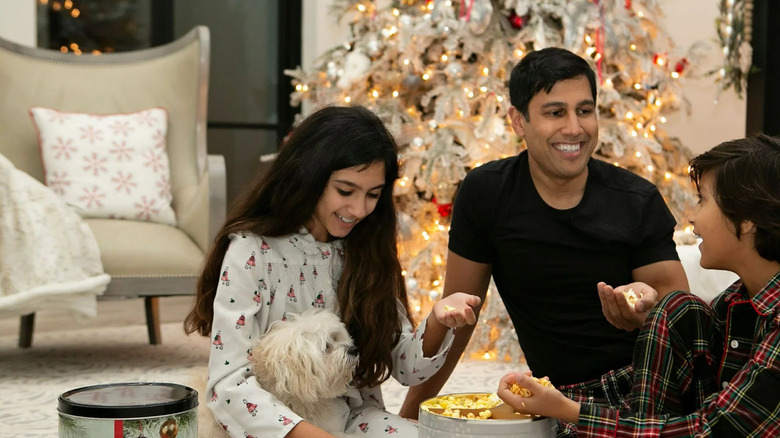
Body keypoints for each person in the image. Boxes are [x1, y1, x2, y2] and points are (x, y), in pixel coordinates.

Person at [400, 47, 689, 419]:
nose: (574, 127)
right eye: (555, 113)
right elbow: (459, 316)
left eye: (585, 111)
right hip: (554, 400)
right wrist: (407, 418)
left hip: (647, 390)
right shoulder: (486, 193)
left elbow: (683, 320)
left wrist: (647, 315)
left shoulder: (636, 199)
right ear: (518, 121)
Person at [184, 105, 481, 438]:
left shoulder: (364, 249)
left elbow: (407, 368)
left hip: (351, 419)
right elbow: (228, 384)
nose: (358, 210)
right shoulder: (251, 252)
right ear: (310, 176)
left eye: (373, 194)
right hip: (272, 428)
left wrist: (438, 320)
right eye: (345, 191)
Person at [497, 133, 780, 436]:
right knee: (676, 309)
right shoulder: (735, 304)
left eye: (702, 200)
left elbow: (711, 430)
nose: (691, 217)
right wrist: (547, 397)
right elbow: (638, 385)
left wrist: (569, 411)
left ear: (747, 217)